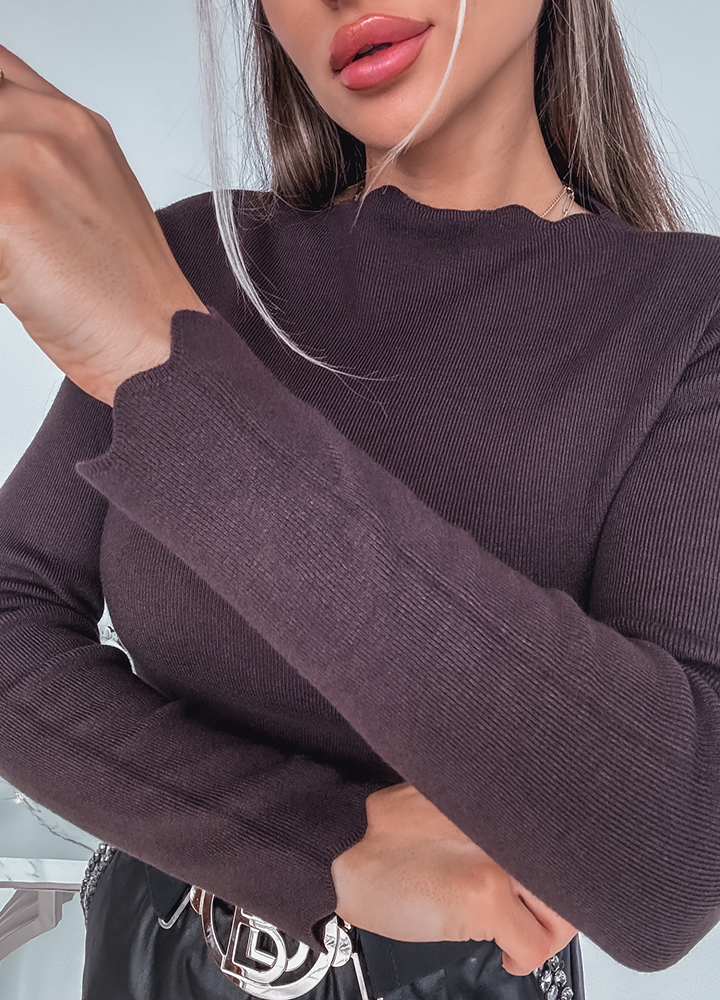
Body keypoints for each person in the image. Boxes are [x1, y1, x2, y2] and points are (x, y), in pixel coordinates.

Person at [0, 0, 718, 997]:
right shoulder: (192, 261)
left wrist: (159, 370)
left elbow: (668, 859)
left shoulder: (687, 318)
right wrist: (319, 842)